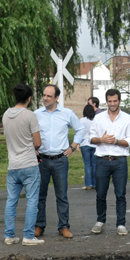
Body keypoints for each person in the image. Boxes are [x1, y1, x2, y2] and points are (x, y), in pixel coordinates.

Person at [34, 84, 84, 239]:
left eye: (49, 96)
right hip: (41, 160)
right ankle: (39, 225)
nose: (45, 98)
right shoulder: (36, 114)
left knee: (61, 195)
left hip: (60, 160)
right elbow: (29, 133)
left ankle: (63, 226)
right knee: (40, 195)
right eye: (44, 95)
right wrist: (33, 148)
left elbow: (81, 129)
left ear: (56, 98)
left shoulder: (67, 113)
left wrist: (73, 146)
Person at [89, 88, 130, 236]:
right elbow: (91, 138)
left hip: (120, 161)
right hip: (102, 160)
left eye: (115, 101)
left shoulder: (128, 118)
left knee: (120, 194)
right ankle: (100, 220)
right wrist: (102, 140)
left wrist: (116, 142)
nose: (112, 103)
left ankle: (121, 223)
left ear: (119, 100)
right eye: (110, 101)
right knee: (100, 193)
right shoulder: (99, 118)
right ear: (106, 101)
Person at [2, 83, 43, 246]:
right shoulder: (30, 116)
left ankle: (9, 235)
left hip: (13, 165)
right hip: (29, 164)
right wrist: (32, 147)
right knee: (32, 200)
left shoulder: (6, 115)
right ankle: (28, 235)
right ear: (29, 98)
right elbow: (38, 142)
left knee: (11, 200)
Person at [79, 104, 98, 190]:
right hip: (94, 143)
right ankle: (94, 183)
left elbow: (79, 132)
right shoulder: (96, 120)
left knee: (87, 164)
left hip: (84, 143)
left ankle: (88, 184)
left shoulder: (82, 120)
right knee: (94, 164)